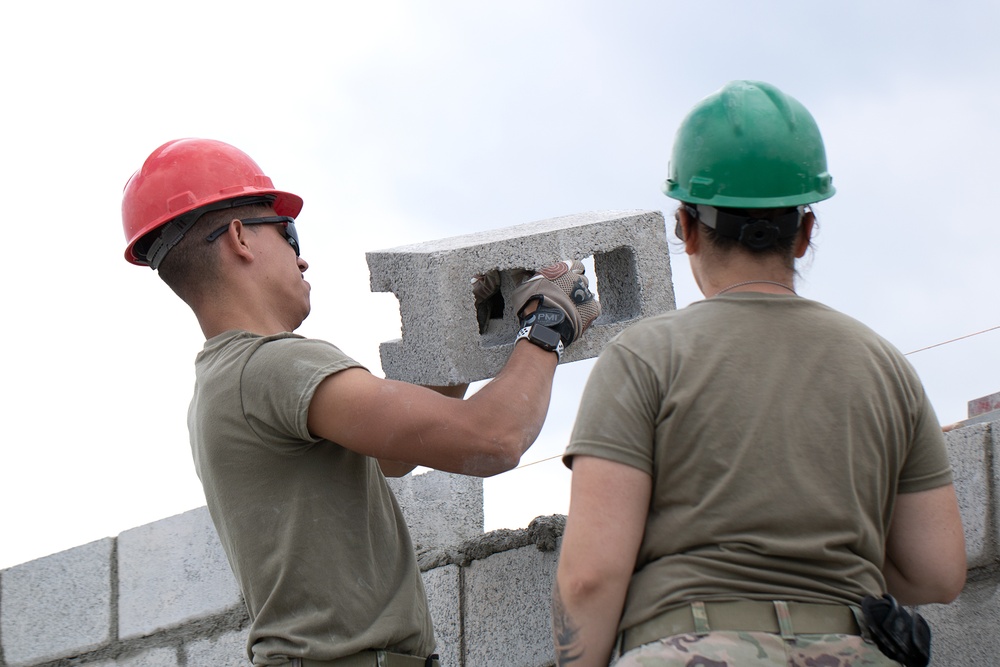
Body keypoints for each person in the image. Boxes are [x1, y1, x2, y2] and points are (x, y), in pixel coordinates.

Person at [120, 138, 601, 667]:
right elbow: (494, 439)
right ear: (239, 237)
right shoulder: (274, 368)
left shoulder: (225, 380)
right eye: (287, 233)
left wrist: (473, 328)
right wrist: (547, 326)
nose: (302, 257)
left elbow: (393, 457)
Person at [551, 81, 966, 667]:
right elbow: (939, 572)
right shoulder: (885, 367)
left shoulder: (644, 357)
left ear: (686, 228)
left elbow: (590, 577)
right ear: (804, 232)